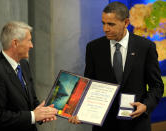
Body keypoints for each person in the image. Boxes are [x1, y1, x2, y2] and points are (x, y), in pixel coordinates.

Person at [68, 2, 164, 131]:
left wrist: (146, 106)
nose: (105, 29)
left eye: (111, 24)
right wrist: (79, 110)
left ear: (126, 23)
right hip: (104, 125)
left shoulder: (146, 47)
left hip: (136, 124)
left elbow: (157, 86)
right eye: (103, 23)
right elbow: (89, 85)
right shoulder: (94, 48)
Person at [0, 21, 58, 131]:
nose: (31, 45)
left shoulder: (24, 64)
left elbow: (31, 101)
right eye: (29, 40)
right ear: (15, 43)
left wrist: (42, 112)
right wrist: (33, 116)